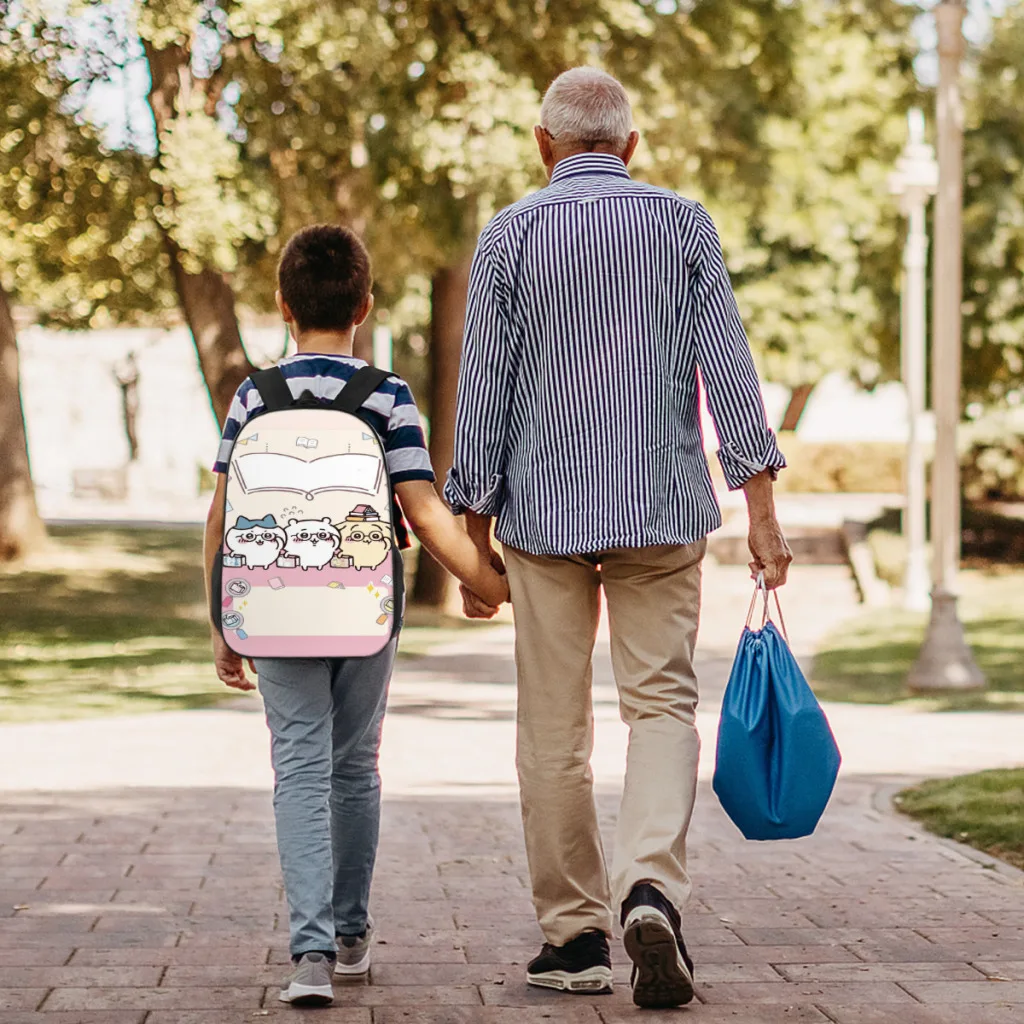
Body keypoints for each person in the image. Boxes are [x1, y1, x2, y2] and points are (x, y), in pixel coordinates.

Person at [445, 67, 793, 1009]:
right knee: (661, 709)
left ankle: (576, 939)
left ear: (542, 143)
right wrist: (760, 510)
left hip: (545, 517)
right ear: (631, 147)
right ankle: (651, 889)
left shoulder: (511, 233)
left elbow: (484, 392)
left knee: (553, 731)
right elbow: (728, 364)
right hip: (662, 508)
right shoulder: (684, 224)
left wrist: (472, 539)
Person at [203, 225, 509, 1008]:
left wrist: (220, 620)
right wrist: (495, 584)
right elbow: (426, 514)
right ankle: (349, 936)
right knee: (354, 765)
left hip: (269, 605)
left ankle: (307, 957)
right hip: (365, 604)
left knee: (298, 767)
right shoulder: (385, 396)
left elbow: (221, 516)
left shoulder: (253, 396)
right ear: (365, 306)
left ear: (282, 305)